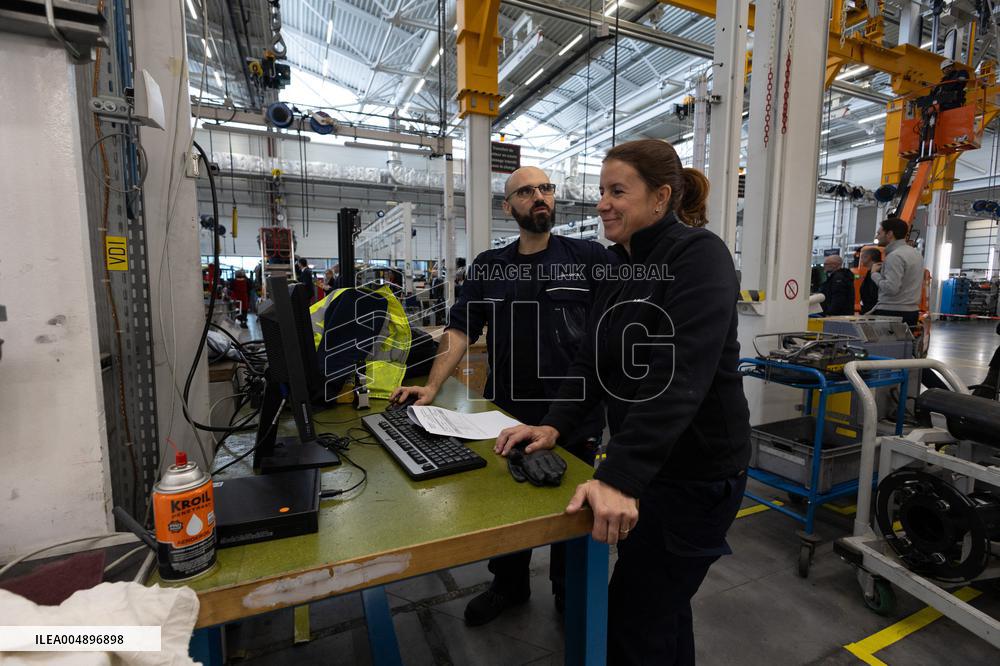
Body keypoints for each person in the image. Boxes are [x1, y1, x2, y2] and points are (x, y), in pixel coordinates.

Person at [495, 139, 750, 665]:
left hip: (697, 475)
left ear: (660, 199)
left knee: (633, 622)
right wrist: (553, 428)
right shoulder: (619, 267)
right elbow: (592, 363)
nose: (602, 204)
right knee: (661, 612)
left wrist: (618, 476)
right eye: (601, 191)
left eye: (617, 191)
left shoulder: (700, 256)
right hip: (653, 471)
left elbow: (678, 376)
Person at [391, 165, 619, 626]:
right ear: (508, 206)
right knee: (503, 505)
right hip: (506, 411)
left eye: (546, 189)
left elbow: (617, 327)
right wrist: (432, 386)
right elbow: (459, 329)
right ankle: (508, 585)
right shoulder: (490, 266)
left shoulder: (590, 257)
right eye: (527, 191)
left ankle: (567, 590)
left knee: (572, 507)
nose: (540, 197)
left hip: (573, 414)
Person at [870, 217, 923, 326]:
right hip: (911, 312)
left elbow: (891, 288)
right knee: (906, 343)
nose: (876, 237)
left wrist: (874, 274)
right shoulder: (916, 254)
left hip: (892, 313)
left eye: (879, 233)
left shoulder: (894, 256)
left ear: (889, 234)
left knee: (886, 343)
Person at [858, 247, 882, 314]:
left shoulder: (876, 273)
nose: (861, 260)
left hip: (874, 312)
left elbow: (873, 294)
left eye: (862, 257)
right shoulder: (870, 272)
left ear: (868, 257)